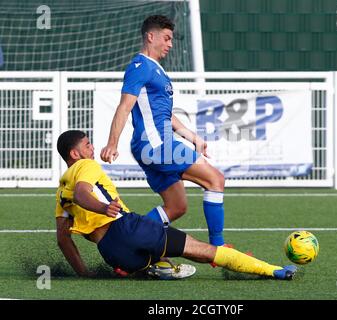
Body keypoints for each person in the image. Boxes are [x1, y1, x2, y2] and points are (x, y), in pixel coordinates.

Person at [55, 130, 297, 280]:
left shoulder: (59, 192)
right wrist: (102, 208)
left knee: (156, 256)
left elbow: (63, 239)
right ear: (74, 154)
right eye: (87, 145)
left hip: (111, 252)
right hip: (127, 228)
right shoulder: (85, 166)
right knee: (204, 252)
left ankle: (155, 267)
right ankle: (271, 270)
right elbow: (82, 193)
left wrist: (83, 273)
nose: (93, 148)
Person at [100, 15, 227, 253]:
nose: (170, 44)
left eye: (171, 40)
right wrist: (111, 143)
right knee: (215, 179)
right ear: (151, 36)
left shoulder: (157, 71)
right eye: (166, 38)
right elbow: (125, 106)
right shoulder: (140, 66)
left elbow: (166, 115)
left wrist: (193, 137)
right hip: (156, 145)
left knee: (176, 207)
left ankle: (128, 247)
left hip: (155, 145)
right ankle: (218, 248)